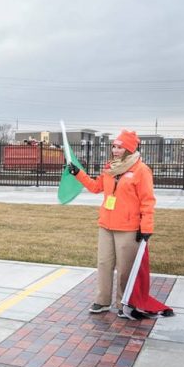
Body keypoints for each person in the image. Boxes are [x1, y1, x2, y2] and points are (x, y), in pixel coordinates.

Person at [68, 130, 156, 317]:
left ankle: (124, 303)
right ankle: (102, 301)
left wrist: (146, 227)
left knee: (125, 268)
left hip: (128, 228)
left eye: (120, 147)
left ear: (130, 149)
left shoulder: (141, 170)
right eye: (114, 146)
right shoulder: (110, 168)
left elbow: (147, 201)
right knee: (103, 263)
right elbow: (95, 187)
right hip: (106, 225)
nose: (115, 150)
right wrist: (78, 173)